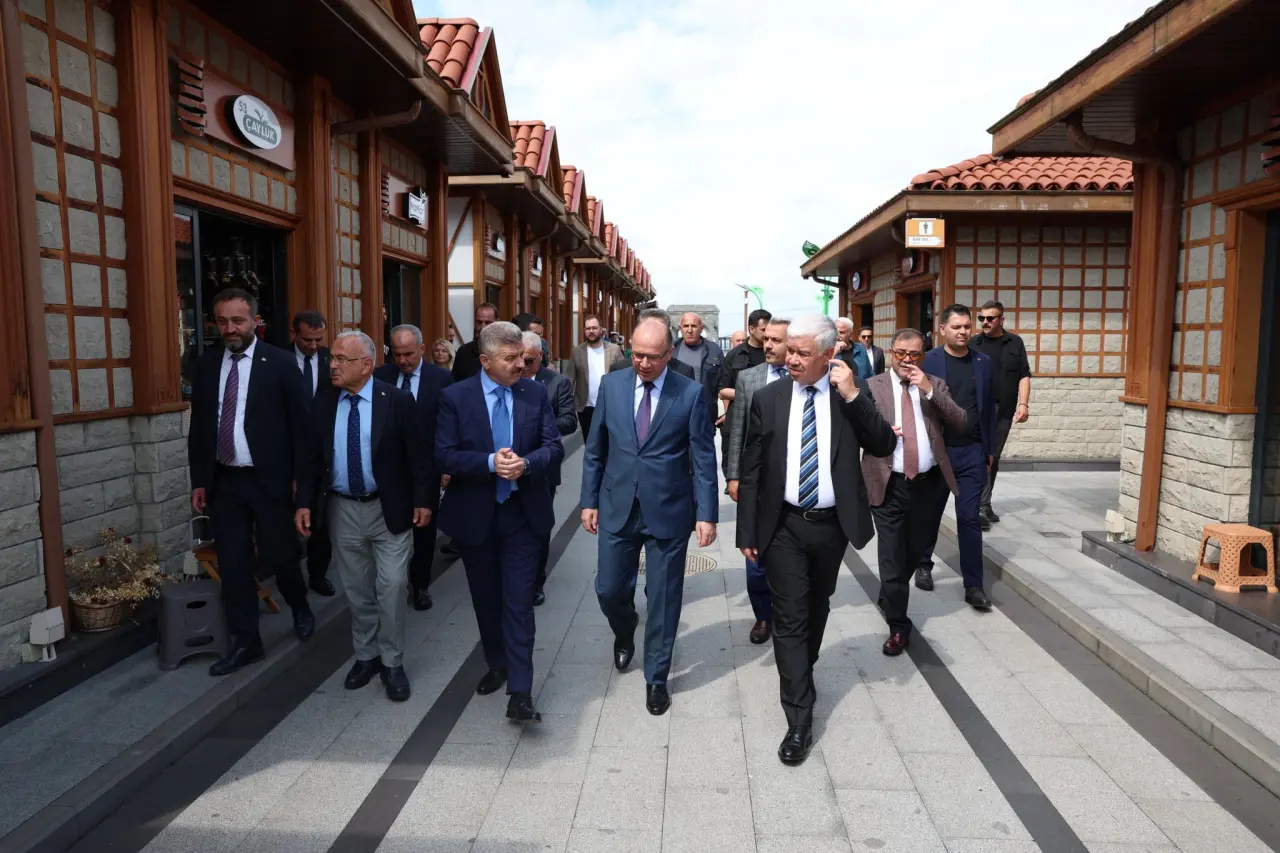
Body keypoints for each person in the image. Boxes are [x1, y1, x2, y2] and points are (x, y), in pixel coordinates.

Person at [737, 314, 895, 765]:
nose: (790, 359)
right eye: (789, 350)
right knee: (789, 616)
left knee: (817, 605)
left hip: (830, 525)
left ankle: (801, 671)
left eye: (802, 353)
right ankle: (799, 720)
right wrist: (747, 530)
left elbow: (883, 444)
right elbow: (752, 467)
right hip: (783, 523)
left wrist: (853, 396)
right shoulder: (769, 398)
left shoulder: (850, 396)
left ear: (828, 355)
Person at [581, 317, 717, 716]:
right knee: (608, 589)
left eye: (653, 357)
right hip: (617, 504)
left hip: (669, 509)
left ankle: (656, 677)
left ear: (669, 354)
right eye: (637, 354)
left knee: (663, 597)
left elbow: (703, 457)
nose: (643, 363)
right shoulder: (612, 386)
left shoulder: (690, 393)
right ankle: (625, 631)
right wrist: (588, 500)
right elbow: (595, 449)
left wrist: (706, 513)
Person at [436, 322, 565, 724]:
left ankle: (521, 692)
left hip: (522, 515)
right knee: (487, 599)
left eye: (523, 357)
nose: (520, 365)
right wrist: (490, 463)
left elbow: (554, 447)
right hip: (476, 516)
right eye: (510, 359)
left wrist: (526, 464)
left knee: (518, 602)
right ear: (485, 360)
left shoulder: (534, 393)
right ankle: (498, 664)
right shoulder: (455, 398)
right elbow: (444, 454)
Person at [294, 331, 430, 701]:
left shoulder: (396, 401)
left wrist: (423, 500)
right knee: (356, 589)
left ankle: (392, 661)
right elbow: (310, 459)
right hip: (342, 509)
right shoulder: (324, 401)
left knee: (393, 586)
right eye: (333, 358)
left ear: (366, 365)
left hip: (389, 508)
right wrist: (304, 502)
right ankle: (366, 656)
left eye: (341, 359)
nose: (333, 365)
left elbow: (419, 456)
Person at [188, 288, 313, 677]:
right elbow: (200, 428)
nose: (230, 328)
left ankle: (300, 606)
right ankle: (247, 642)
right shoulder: (207, 365)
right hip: (225, 482)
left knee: (281, 554)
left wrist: (302, 486)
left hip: (268, 480)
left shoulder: (280, 363)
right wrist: (200, 480)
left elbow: (302, 429)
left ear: (255, 322)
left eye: (237, 321)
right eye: (222, 321)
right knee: (233, 564)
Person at [861, 329, 965, 655]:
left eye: (914, 354)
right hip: (888, 483)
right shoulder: (872, 386)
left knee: (915, 549)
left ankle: (890, 594)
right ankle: (898, 626)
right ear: (891, 352)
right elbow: (857, 429)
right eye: (901, 353)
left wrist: (929, 391)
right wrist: (880, 433)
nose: (907, 360)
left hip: (928, 484)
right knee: (892, 555)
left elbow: (960, 422)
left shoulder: (935, 384)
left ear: (923, 355)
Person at [917, 305, 997, 611]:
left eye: (966, 326)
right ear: (942, 329)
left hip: (972, 451)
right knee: (930, 513)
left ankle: (974, 585)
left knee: (969, 518)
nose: (963, 332)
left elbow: (989, 409)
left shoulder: (983, 362)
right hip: (938, 451)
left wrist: (989, 450)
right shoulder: (929, 360)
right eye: (956, 327)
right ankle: (923, 564)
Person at [374, 325, 452, 611]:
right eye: (397, 354)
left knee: (424, 530)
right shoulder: (380, 376)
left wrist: (446, 465)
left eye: (408, 354)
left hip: (426, 467)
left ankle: (420, 585)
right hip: (388, 469)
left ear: (421, 349)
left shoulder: (441, 379)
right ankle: (386, 584)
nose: (403, 360)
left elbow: (448, 425)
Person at [725, 318, 790, 646]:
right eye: (766, 339)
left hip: (793, 482)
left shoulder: (802, 378)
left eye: (776, 340)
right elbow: (737, 429)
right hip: (757, 481)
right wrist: (733, 475)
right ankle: (763, 615)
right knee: (754, 554)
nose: (768, 345)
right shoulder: (748, 378)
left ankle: (787, 611)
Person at [521, 332, 576, 607]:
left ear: (540, 357)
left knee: (538, 525)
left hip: (542, 468)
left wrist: (539, 424)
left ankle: (536, 581)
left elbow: (569, 421)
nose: (522, 366)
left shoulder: (556, 383)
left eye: (528, 361)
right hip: (509, 466)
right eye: (517, 358)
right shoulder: (507, 378)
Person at [970, 300, 1032, 525]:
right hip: (977, 410)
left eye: (990, 318)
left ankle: (984, 503)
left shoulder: (1015, 343)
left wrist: (1023, 404)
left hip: (1003, 409)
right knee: (980, 455)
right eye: (982, 318)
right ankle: (978, 504)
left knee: (993, 456)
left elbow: (1024, 374)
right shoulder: (973, 344)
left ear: (1001, 320)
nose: (985, 322)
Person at [291, 310, 336, 597]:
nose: (313, 345)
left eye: (318, 339)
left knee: (321, 520)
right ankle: (290, 576)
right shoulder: (279, 360)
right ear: (295, 334)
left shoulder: (331, 358)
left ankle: (318, 574)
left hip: (322, 451)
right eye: (307, 340)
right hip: (287, 448)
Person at [569, 313, 622, 438]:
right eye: (588, 328)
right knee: (589, 442)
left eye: (594, 328)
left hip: (609, 405)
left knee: (609, 442)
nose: (591, 331)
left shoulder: (614, 349)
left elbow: (623, 376)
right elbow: (570, 377)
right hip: (586, 406)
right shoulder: (577, 351)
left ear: (601, 329)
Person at [608, 308, 695, 380]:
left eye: (658, 330)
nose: (645, 364)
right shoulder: (617, 371)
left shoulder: (684, 372)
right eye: (646, 328)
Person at [672, 312, 724, 423]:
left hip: (705, 414)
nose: (689, 330)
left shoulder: (714, 350)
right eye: (686, 326)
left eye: (694, 326)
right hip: (676, 413)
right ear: (680, 329)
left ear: (701, 328)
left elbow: (723, 384)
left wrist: (726, 413)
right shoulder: (671, 350)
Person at [452, 302, 499, 381]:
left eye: (487, 322)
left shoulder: (505, 350)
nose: (482, 327)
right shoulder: (463, 352)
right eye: (479, 322)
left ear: (497, 323)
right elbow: (456, 383)